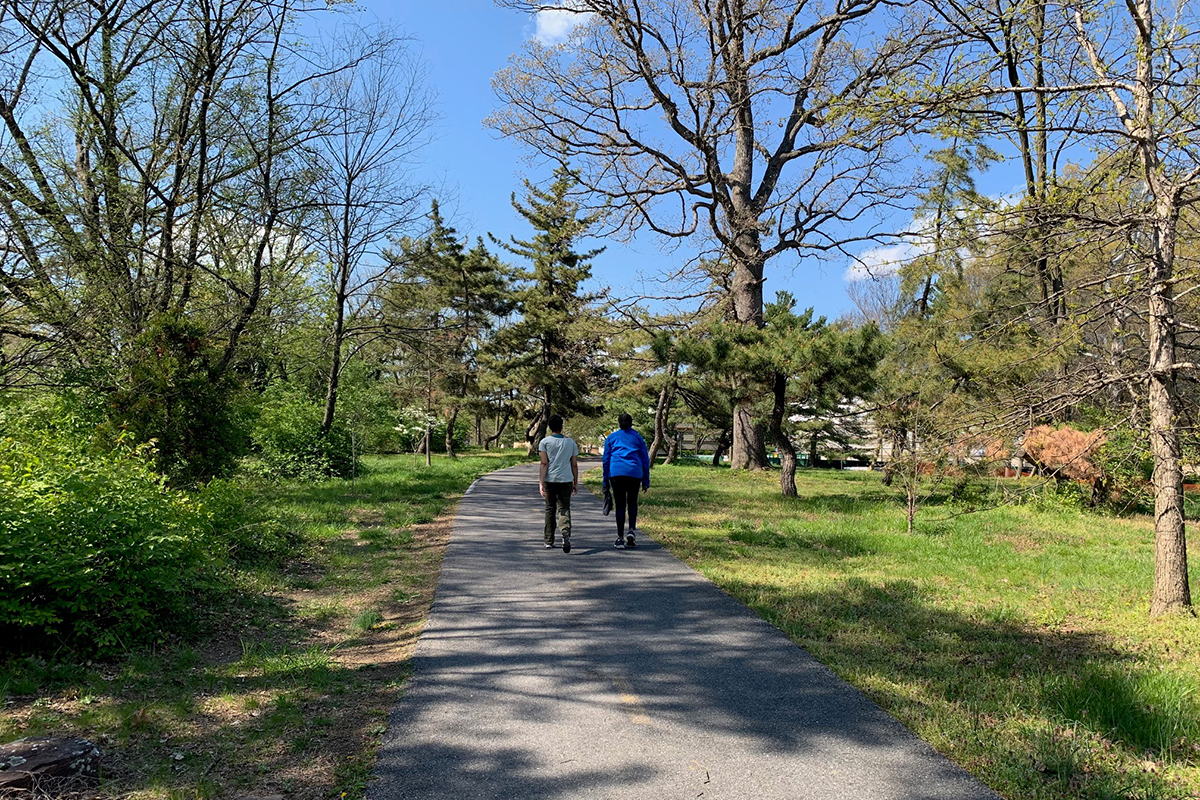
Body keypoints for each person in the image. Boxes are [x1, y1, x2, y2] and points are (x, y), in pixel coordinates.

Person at [602, 412, 650, 549]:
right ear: (631, 423)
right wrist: (646, 480)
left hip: (616, 472)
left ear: (619, 423)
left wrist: (605, 480)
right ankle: (632, 531)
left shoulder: (611, 438)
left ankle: (620, 538)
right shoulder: (638, 437)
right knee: (632, 502)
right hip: (634, 473)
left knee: (620, 504)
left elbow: (606, 460)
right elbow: (645, 460)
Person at [538, 414, 579, 553]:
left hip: (550, 480)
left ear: (549, 427)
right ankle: (565, 531)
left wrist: (541, 483)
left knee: (550, 509)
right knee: (564, 508)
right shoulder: (571, 443)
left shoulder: (544, 442)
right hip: (566, 479)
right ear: (562, 426)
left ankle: (549, 540)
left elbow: (544, 463)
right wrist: (575, 482)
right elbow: (574, 464)